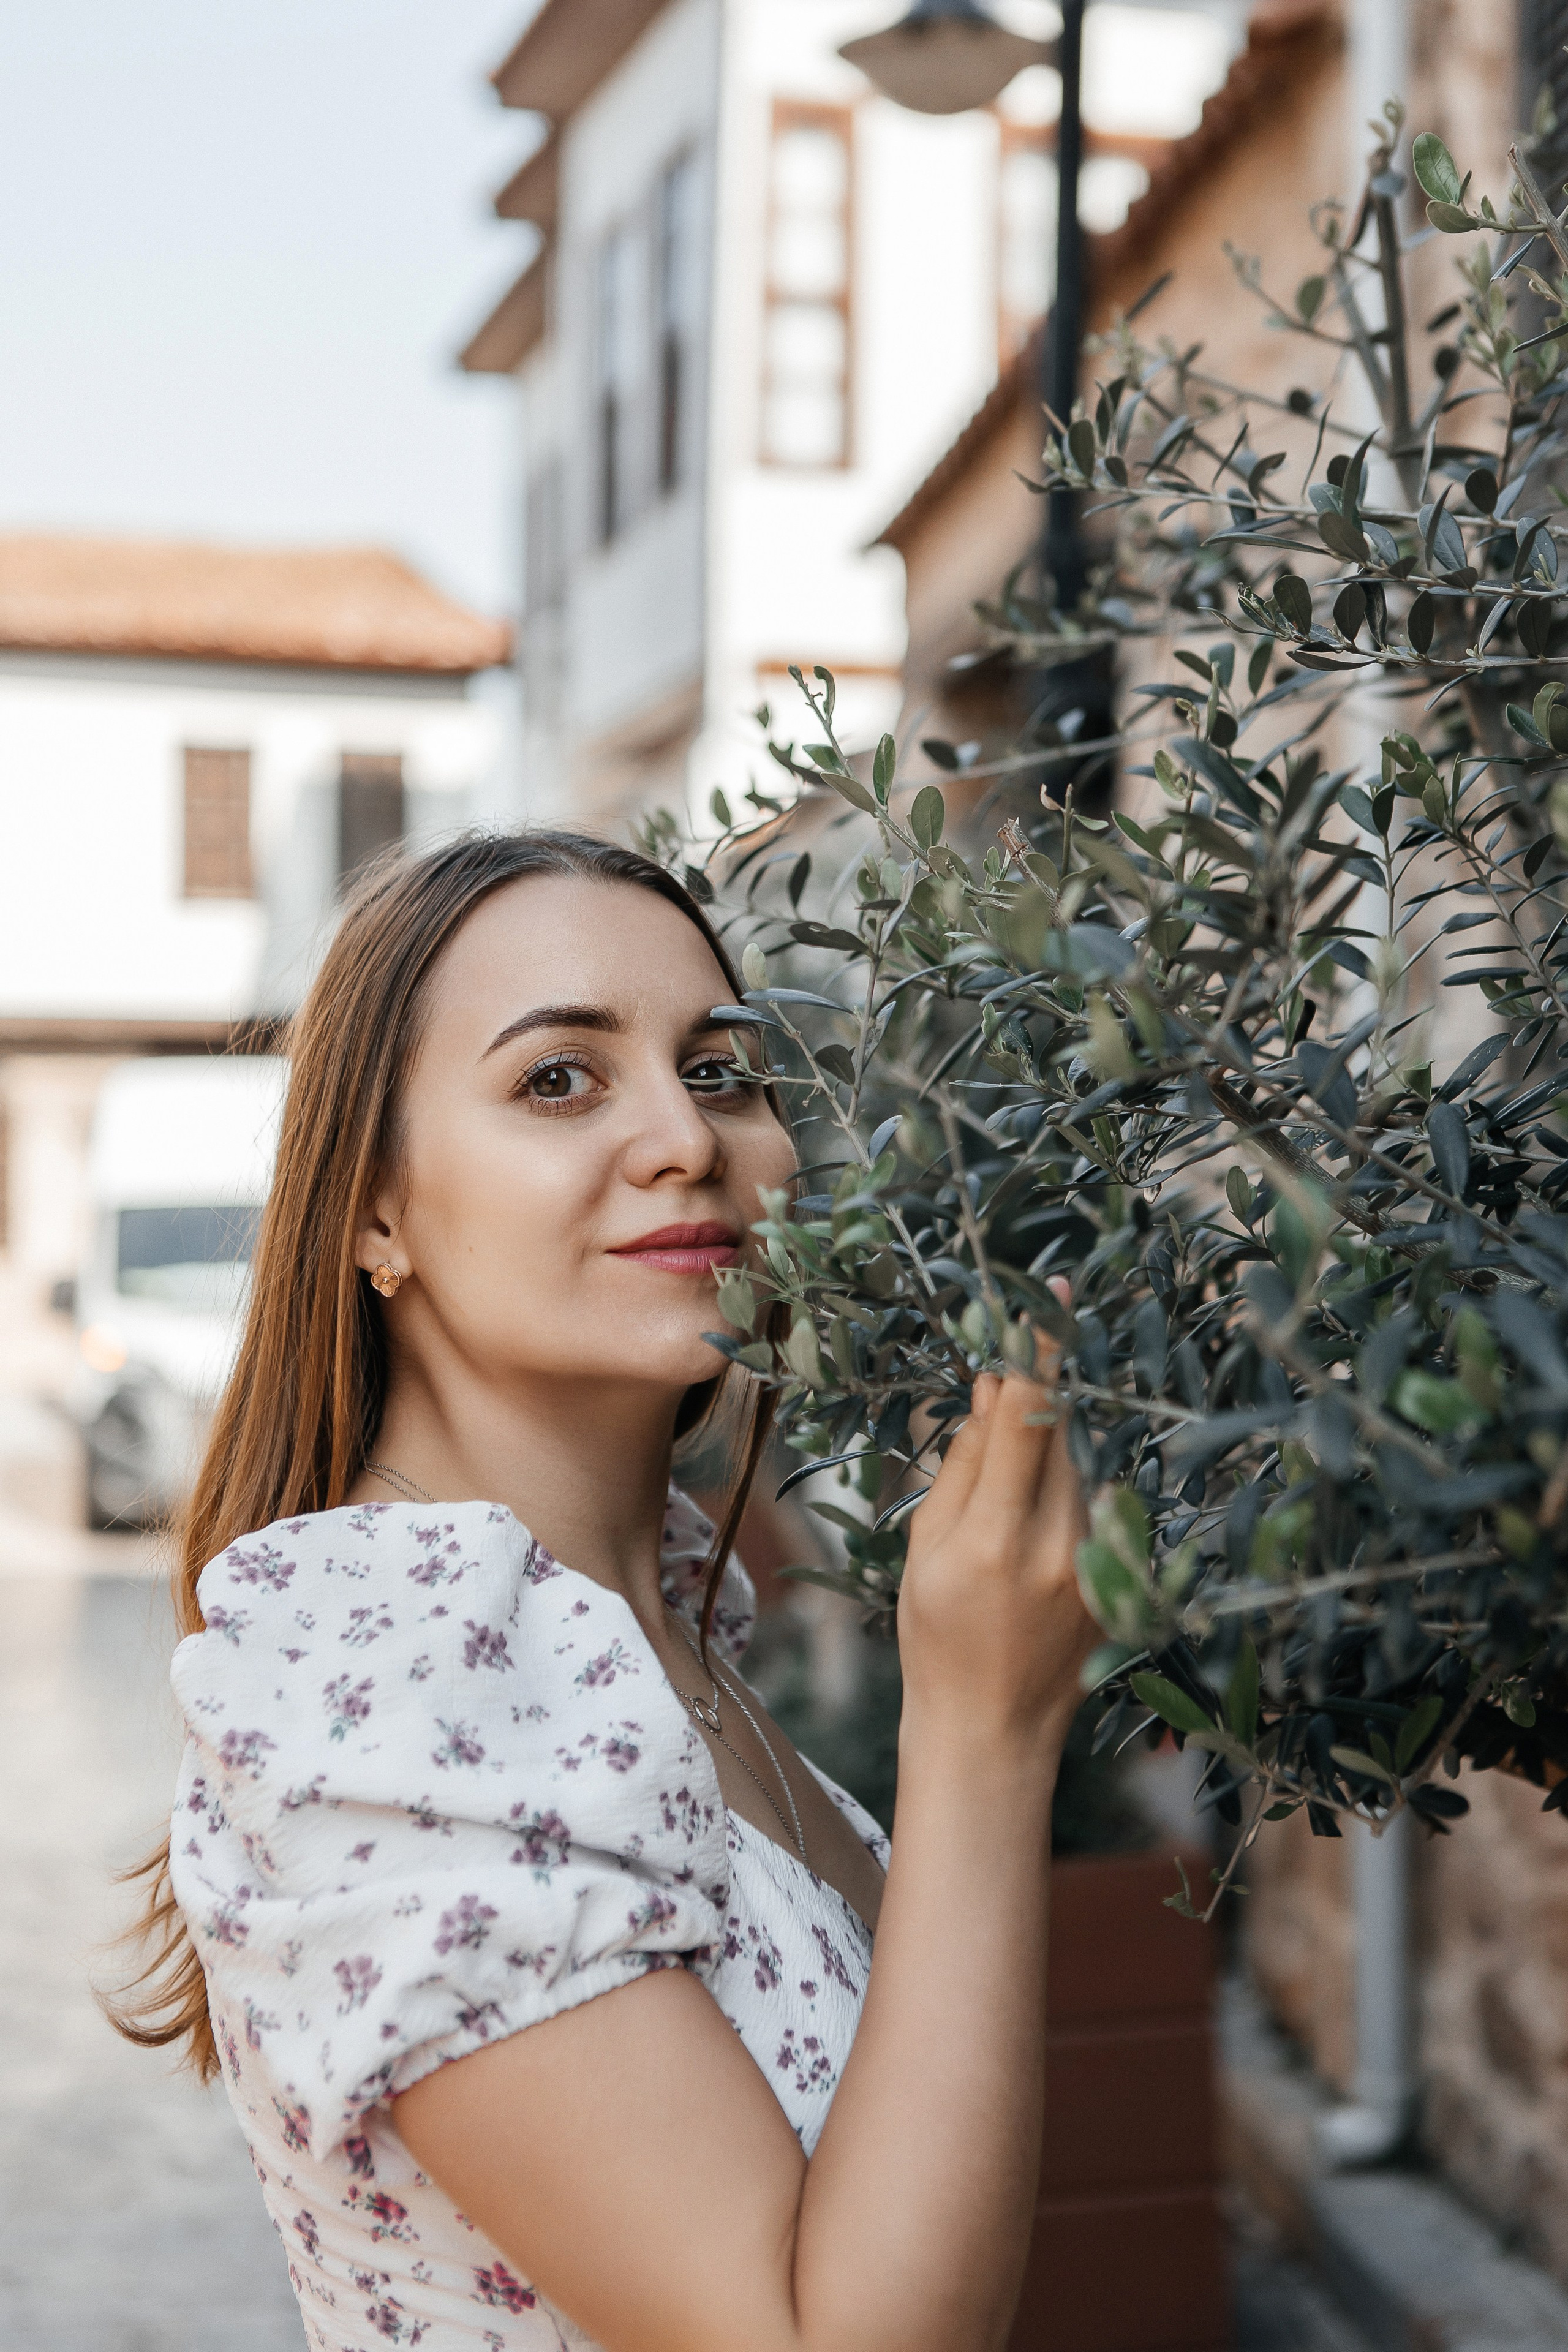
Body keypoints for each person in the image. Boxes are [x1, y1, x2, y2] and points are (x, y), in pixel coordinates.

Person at [110, 829, 1096, 2352]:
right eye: (556, 1079)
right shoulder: (386, 1672)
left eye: (720, 1070)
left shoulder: (646, 1638)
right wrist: (980, 1727)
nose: (684, 1139)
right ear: (374, 1212)